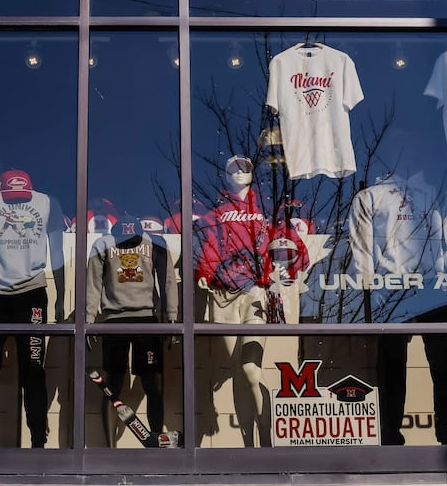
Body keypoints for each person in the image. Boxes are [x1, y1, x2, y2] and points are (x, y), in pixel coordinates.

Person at [195, 155, 304, 445]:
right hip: (223, 296)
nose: (240, 172)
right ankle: (248, 446)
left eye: (245, 168)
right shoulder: (216, 214)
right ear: (225, 175)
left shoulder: (267, 209)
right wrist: (204, 272)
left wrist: (290, 263)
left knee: (250, 367)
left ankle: (266, 441)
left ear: (253, 174)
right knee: (237, 371)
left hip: (256, 292)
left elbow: (289, 241)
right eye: (234, 168)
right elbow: (209, 245)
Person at [0, 170, 64, 447]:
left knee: (34, 369)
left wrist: (60, 296)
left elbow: (58, 253)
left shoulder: (48, 203)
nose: (16, 201)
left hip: (32, 294)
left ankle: (38, 444)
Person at [87, 220, 179, 445]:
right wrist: (88, 317)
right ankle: (109, 445)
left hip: (146, 319)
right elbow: (93, 283)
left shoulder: (155, 242)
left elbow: (168, 280)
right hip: (114, 319)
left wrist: (172, 315)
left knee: (151, 384)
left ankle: (156, 441)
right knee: (113, 385)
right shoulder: (103, 244)